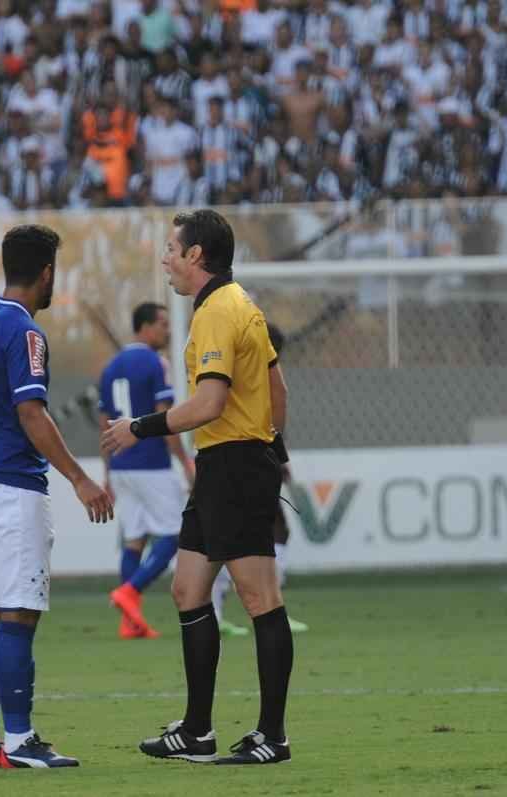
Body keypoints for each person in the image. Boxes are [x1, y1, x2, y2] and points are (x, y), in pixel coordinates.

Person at [102, 209, 293, 765]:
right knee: (188, 590)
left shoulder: (216, 311)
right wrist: (273, 443)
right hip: (224, 464)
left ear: (196, 256)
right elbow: (277, 386)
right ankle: (198, 731)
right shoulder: (242, 305)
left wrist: (138, 426)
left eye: (171, 248)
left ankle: (273, 737)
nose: (165, 257)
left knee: (260, 600)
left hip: (233, 465)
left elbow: (208, 403)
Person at [0, 224, 113, 770]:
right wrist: (79, 478)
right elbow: (31, 412)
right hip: (10, 489)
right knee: (18, 617)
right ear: (46, 274)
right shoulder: (26, 333)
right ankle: (20, 741)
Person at [99, 302, 194, 639]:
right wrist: (184, 462)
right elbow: (164, 416)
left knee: (135, 539)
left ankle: (129, 622)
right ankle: (130, 591)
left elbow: (104, 423)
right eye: (163, 324)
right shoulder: (156, 363)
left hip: (123, 466)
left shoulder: (110, 368)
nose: (167, 331)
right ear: (145, 327)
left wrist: (108, 473)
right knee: (174, 535)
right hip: (151, 463)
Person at [211, 323, 308, 637]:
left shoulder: (230, 373)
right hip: (251, 466)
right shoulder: (263, 379)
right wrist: (278, 459)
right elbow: (269, 425)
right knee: (272, 534)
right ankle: (272, 610)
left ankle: (218, 612)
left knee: (227, 542)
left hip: (227, 464)